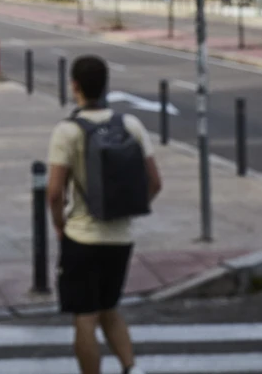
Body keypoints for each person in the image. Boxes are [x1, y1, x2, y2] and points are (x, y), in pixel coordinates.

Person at [47, 56, 162, 374]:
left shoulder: (67, 131)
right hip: (120, 238)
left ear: (75, 86)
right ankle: (131, 368)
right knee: (110, 308)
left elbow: (55, 192)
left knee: (85, 316)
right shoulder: (131, 125)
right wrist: (125, 209)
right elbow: (154, 182)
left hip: (81, 237)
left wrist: (60, 224)